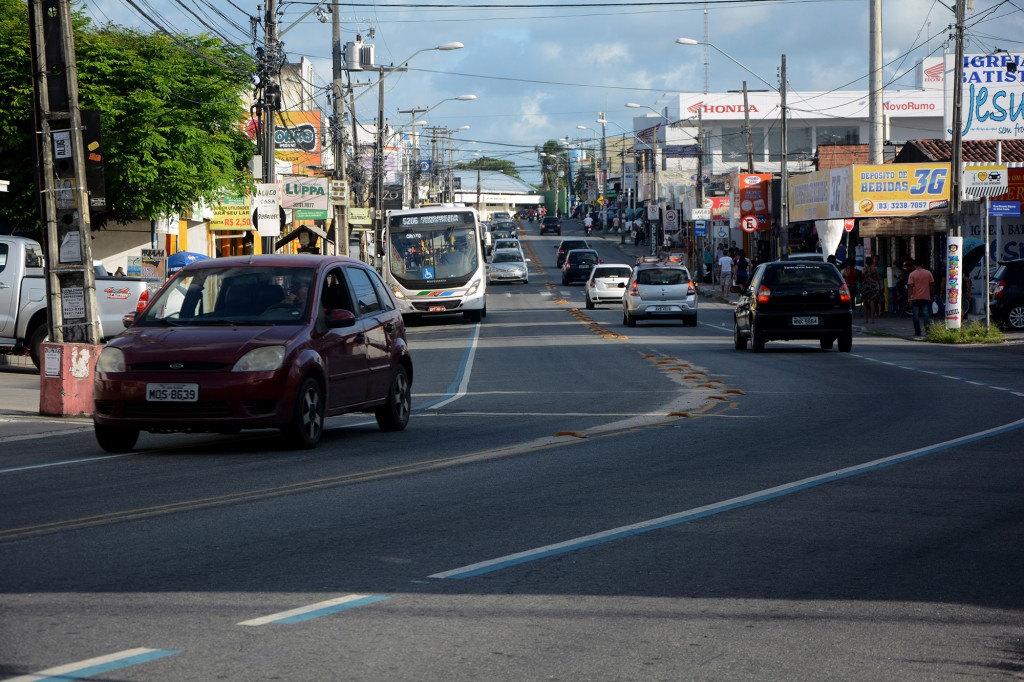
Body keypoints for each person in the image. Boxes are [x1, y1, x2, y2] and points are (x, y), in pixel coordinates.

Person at [907, 259, 936, 336]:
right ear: (922, 264)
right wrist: (933, 295)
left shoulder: (912, 274)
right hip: (926, 297)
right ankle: (927, 331)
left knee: (915, 316)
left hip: (915, 298)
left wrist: (909, 297)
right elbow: (932, 284)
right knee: (926, 315)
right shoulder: (928, 273)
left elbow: (910, 287)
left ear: (914, 265)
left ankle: (917, 331)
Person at [860, 256, 882, 323]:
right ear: (872, 262)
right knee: (872, 302)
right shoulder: (875, 269)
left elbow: (862, 278)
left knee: (865, 303)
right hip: (873, 286)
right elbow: (878, 278)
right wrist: (880, 287)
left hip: (866, 287)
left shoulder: (864, 269)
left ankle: (866, 319)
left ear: (866, 262)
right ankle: (872, 319)